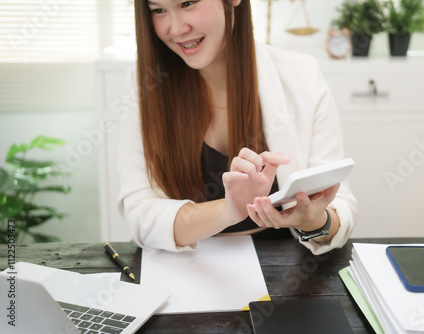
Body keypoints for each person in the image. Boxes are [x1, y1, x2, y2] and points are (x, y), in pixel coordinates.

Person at [117, 0, 357, 255]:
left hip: (283, 268)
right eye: (159, 10)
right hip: (185, 267)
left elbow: (341, 212)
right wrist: (230, 209)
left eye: (188, 3)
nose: (176, 29)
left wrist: (310, 219)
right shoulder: (143, 85)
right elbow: (140, 217)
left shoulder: (302, 75)